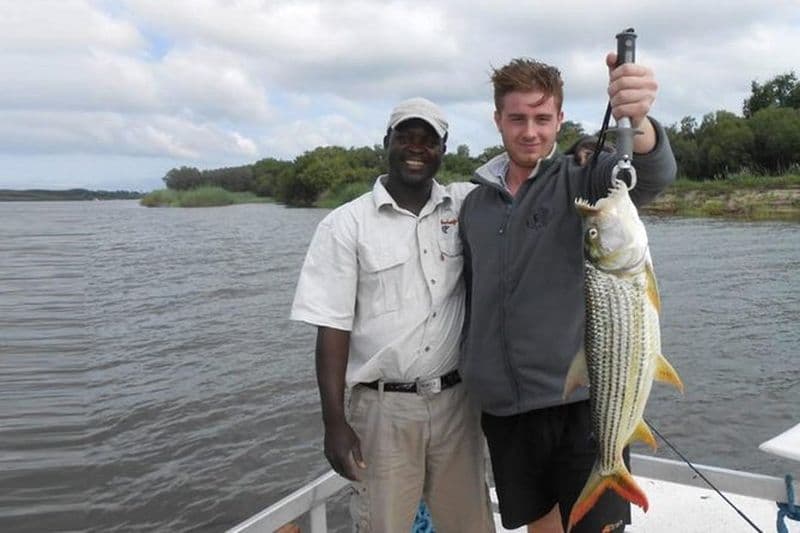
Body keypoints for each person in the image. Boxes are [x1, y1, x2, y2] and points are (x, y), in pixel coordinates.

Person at [458, 56, 677, 533]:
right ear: (498, 120)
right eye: (517, 118)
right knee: (542, 528)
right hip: (505, 412)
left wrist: (637, 121)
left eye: (542, 119)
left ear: (560, 119)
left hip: (582, 405)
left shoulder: (581, 179)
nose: (531, 132)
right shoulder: (473, 204)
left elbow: (650, 172)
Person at [291, 97, 495, 533]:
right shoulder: (345, 225)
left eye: (428, 139)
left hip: (458, 405)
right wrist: (334, 423)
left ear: (444, 148)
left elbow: (525, 172)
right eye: (406, 136)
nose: (416, 147)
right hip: (382, 410)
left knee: (471, 525)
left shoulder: (466, 204)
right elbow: (332, 330)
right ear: (387, 142)